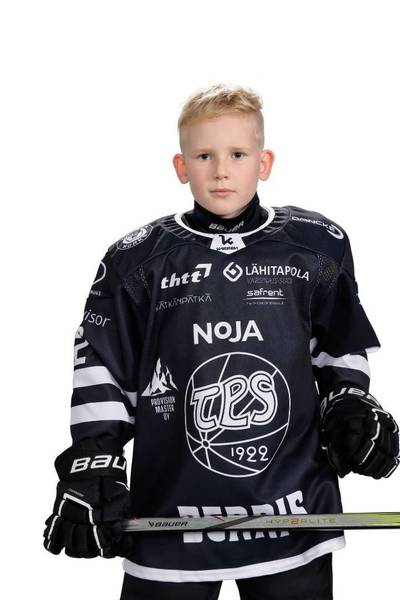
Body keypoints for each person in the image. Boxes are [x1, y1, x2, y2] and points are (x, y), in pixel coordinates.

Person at [43, 83, 399, 600]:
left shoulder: (317, 245)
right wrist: (93, 464)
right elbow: (103, 368)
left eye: (237, 154)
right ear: (181, 166)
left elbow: (339, 346)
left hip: (294, 510)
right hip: (168, 511)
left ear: (264, 162)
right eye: (204, 156)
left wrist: (349, 403)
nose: (221, 171)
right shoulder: (135, 260)